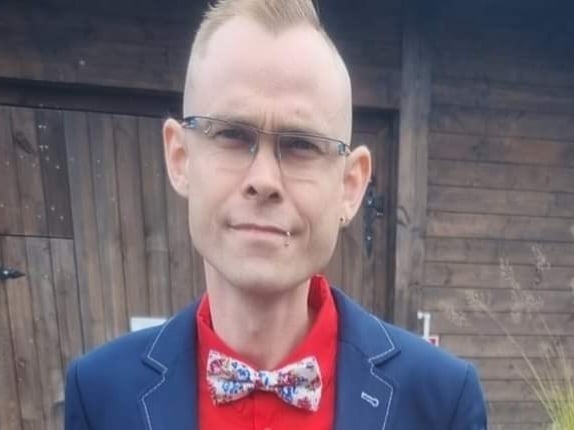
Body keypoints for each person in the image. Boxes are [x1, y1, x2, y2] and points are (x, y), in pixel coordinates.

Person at [64, 0, 488, 429]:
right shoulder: (100, 394)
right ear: (180, 158)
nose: (263, 179)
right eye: (231, 134)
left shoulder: (441, 401)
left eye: (301, 144)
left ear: (350, 185)